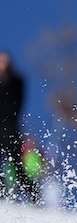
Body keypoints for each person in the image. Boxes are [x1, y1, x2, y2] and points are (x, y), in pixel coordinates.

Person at [0, 50, 40, 202]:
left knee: (16, 162)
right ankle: (2, 192)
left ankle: (33, 195)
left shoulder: (16, 81)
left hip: (10, 127)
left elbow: (18, 101)